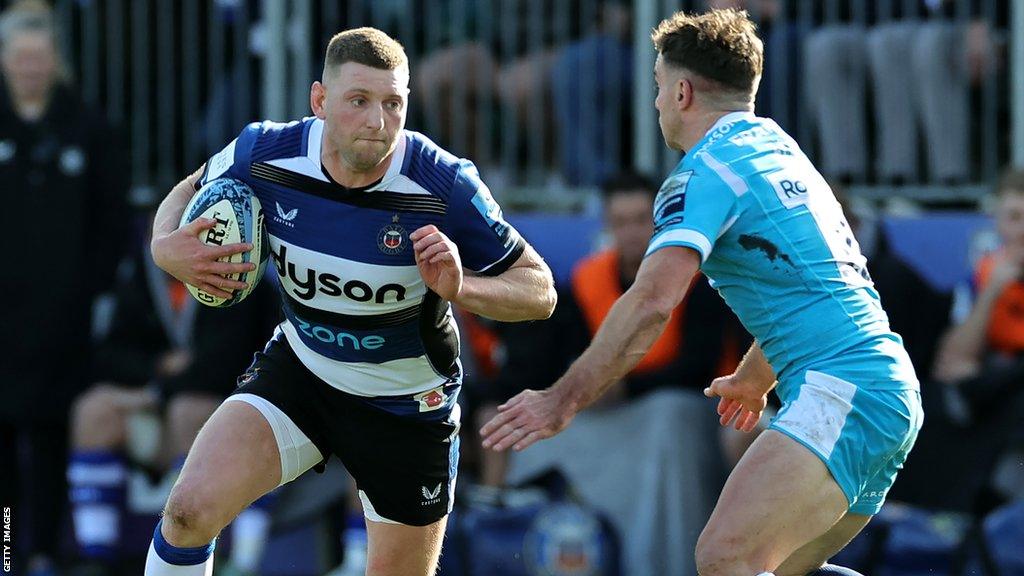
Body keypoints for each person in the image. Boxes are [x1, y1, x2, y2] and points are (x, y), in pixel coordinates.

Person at [482, 8, 922, 576]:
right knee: (777, 567)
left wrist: (561, 400)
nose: (658, 103)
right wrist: (754, 377)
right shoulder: (781, 152)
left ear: (683, 91)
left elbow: (651, 302)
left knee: (723, 558)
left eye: (660, 88)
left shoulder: (703, 173)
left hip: (842, 389)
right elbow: (815, 289)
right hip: (881, 389)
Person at [145, 27, 556, 576]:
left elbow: (540, 291)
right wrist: (164, 246)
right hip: (303, 372)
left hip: (407, 404)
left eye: (393, 104)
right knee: (188, 512)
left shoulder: (444, 184)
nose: (377, 122)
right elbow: (193, 182)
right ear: (319, 101)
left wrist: (463, 289)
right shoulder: (266, 151)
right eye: (358, 101)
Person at [67, 211, 279, 576]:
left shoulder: (236, 273)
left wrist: (161, 389)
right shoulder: (138, 273)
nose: (168, 242)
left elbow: (223, 365)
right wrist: (156, 376)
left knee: (187, 410)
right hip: (154, 403)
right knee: (93, 410)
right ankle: (95, 556)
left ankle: (240, 561)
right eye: (161, 232)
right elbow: (110, 354)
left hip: (223, 409)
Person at [0, 2, 128, 575]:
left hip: (63, 318)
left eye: (39, 56)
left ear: (55, 60)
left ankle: (46, 552)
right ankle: (5, 551)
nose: (30, 67)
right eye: (19, 56)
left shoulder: (88, 126)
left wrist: (92, 289)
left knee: (53, 438)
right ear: (4, 61)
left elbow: (111, 219)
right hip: (2, 319)